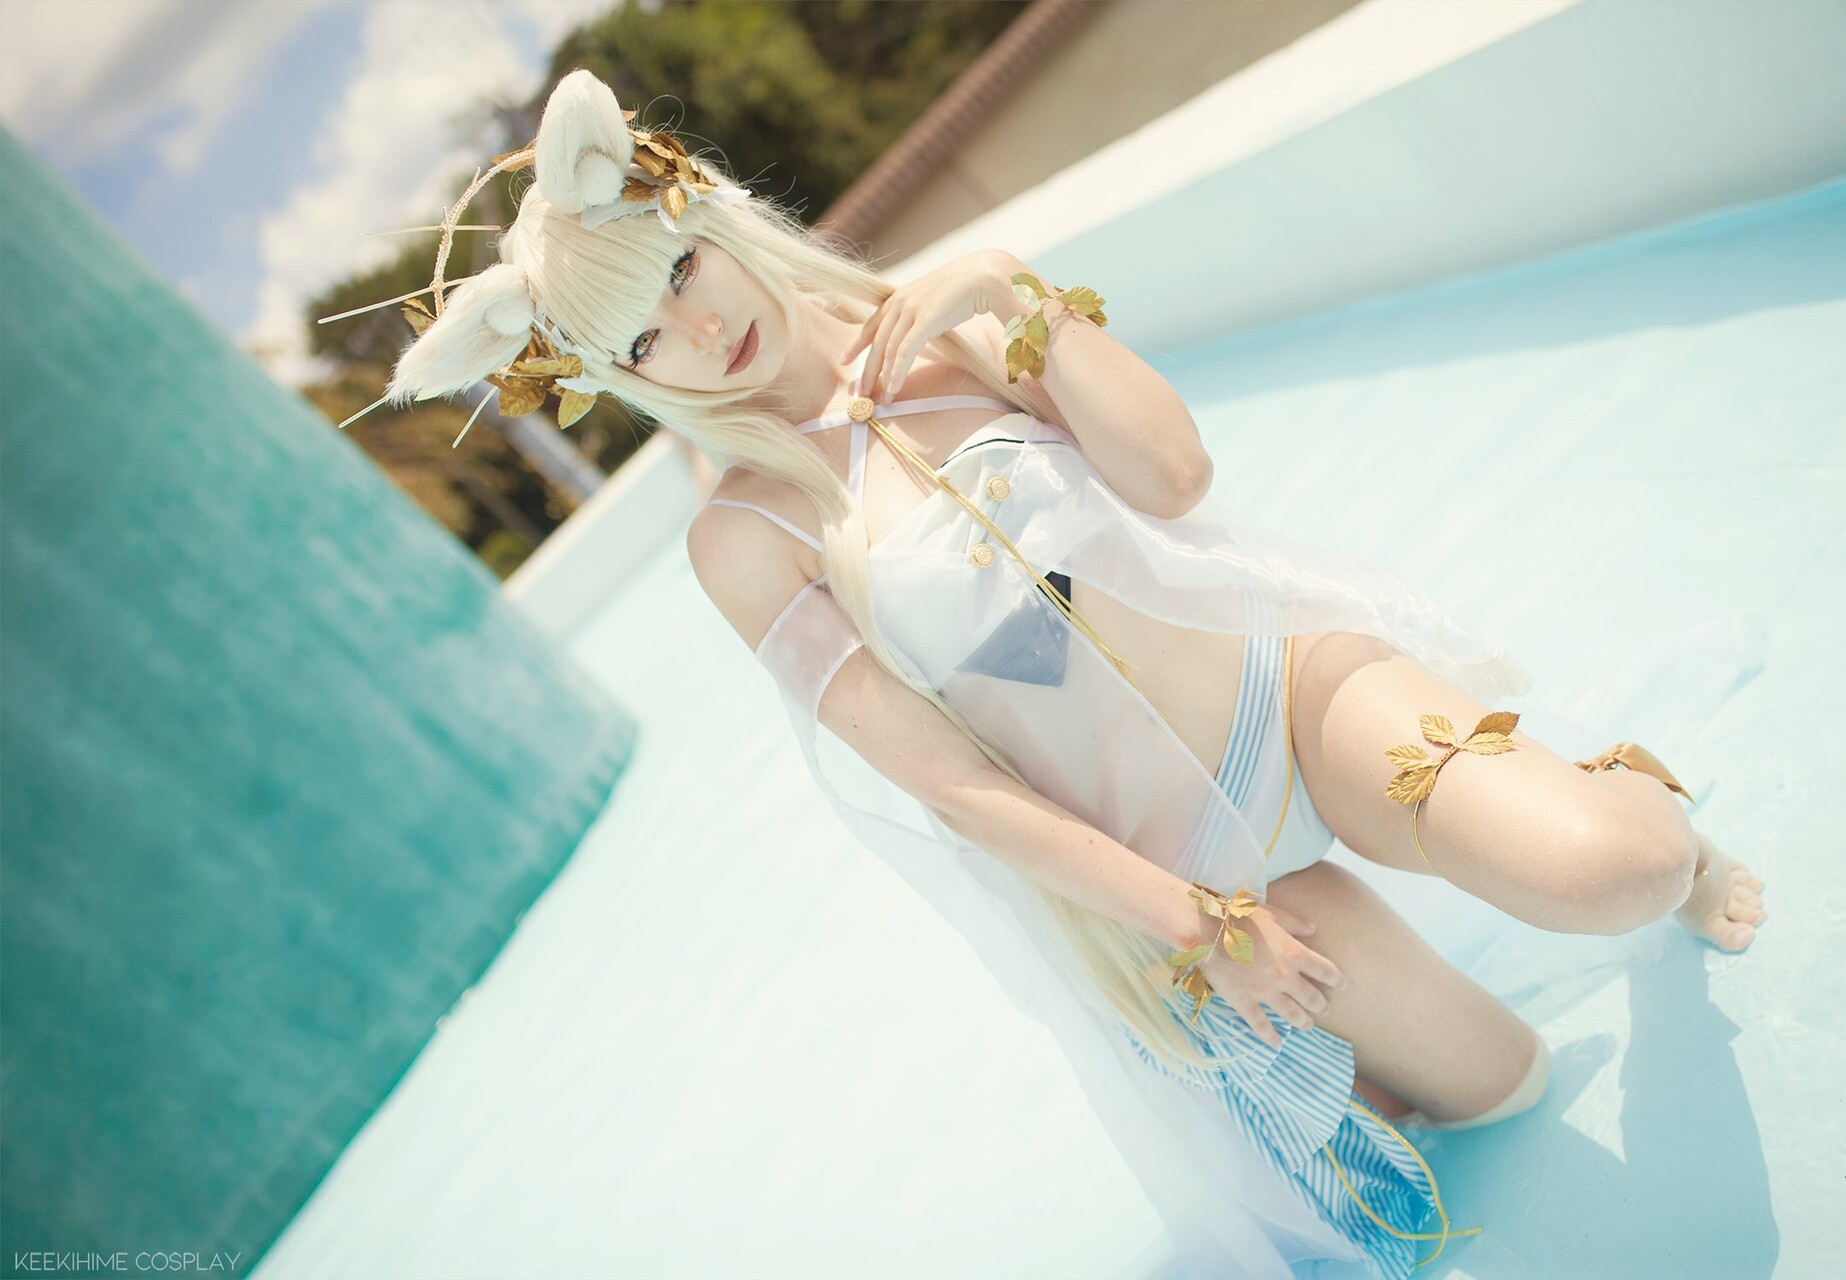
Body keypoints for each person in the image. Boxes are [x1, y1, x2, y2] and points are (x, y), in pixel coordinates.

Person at [361, 68, 1768, 1280]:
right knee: (1509, 1093)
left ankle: (1661, 827)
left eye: (677, 274)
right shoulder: (745, 538)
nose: (695, 333)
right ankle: (1369, 1055)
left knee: (1620, 875)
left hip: (1292, 697)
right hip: (1193, 864)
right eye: (640, 341)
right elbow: (955, 788)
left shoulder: (944, 324)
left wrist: (1007, 288)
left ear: (704, 216)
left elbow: (1176, 474)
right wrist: (1200, 926)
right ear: (621, 378)